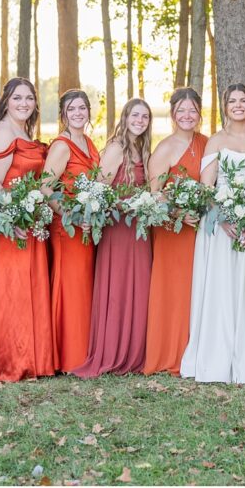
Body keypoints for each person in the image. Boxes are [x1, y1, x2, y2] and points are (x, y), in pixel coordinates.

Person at [180, 84, 245, 384]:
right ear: (225, 107)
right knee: (222, 287)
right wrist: (224, 218)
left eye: (243, 101)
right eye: (232, 101)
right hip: (221, 227)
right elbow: (206, 186)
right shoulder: (216, 141)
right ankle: (217, 353)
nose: (238, 105)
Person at [73, 98, 154, 377]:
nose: (139, 121)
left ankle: (135, 351)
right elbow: (99, 192)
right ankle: (113, 351)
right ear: (125, 117)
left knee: (139, 286)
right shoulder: (117, 148)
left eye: (144, 117)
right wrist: (126, 205)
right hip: (119, 228)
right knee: (119, 286)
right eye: (135, 115)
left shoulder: (143, 148)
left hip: (139, 229)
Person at [0, 78, 54, 381]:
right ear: (6, 101)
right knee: (12, 292)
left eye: (29, 98)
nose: (24, 103)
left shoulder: (24, 131)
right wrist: (13, 219)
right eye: (17, 98)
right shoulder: (1, 132)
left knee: (30, 290)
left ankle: (34, 358)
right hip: (11, 227)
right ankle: (10, 360)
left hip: (29, 221)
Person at [142, 88, 209, 376]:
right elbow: (154, 194)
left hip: (202, 230)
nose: (187, 115)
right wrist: (179, 212)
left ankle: (200, 350)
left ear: (199, 114)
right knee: (175, 290)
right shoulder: (164, 148)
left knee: (199, 290)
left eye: (192, 110)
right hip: (173, 230)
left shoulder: (208, 144)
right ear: (172, 115)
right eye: (181, 110)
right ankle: (171, 352)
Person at [43, 89, 100, 373]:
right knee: (70, 287)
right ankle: (69, 357)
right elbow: (45, 188)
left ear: (89, 111)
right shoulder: (62, 146)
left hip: (87, 227)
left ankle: (85, 351)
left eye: (82, 108)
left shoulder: (89, 142)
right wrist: (71, 215)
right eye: (71, 109)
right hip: (67, 227)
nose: (78, 113)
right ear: (63, 114)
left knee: (83, 287)